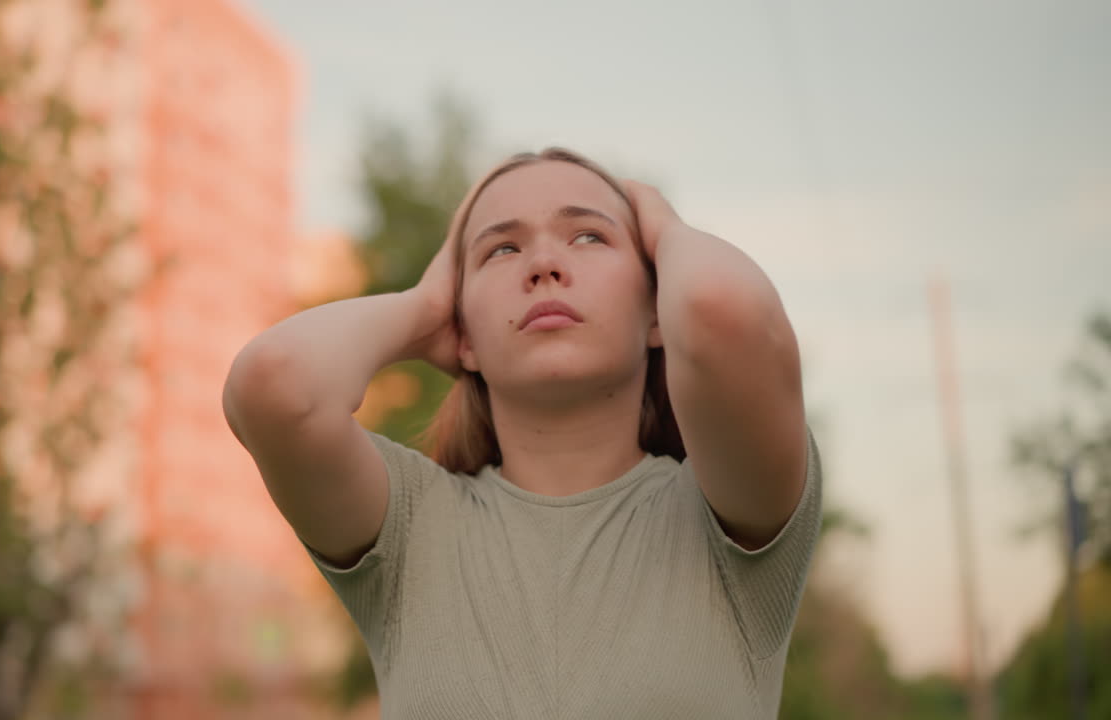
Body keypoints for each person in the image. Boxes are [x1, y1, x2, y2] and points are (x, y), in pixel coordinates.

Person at [222, 147, 822, 719]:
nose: (543, 264)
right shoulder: (408, 529)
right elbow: (274, 385)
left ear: (658, 310)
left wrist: (658, 220)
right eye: (502, 250)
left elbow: (725, 309)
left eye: (589, 235)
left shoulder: (727, 516)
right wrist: (426, 305)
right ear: (464, 338)